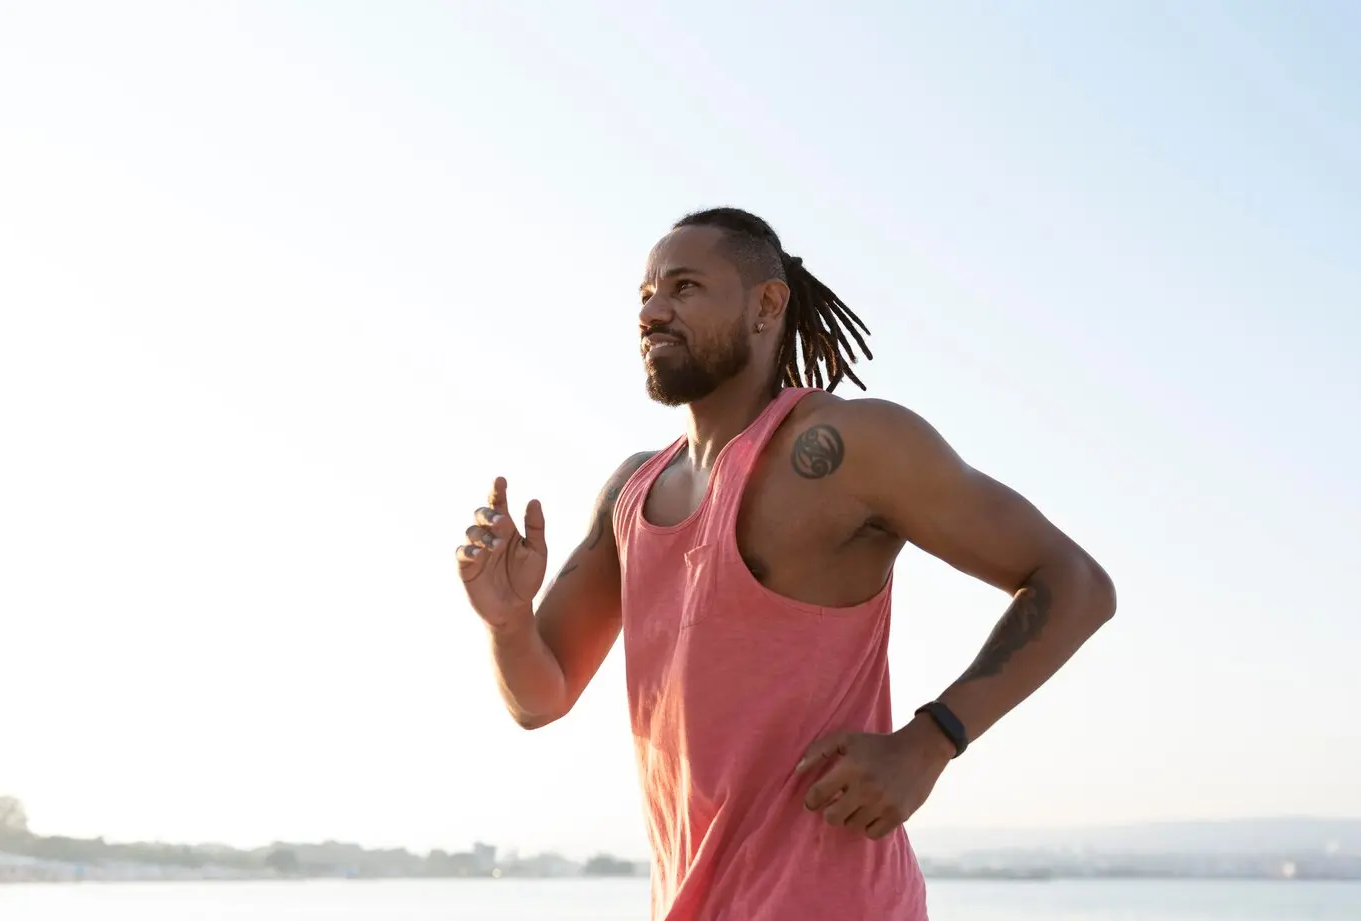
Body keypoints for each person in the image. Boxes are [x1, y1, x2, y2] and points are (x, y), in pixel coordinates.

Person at [455, 207, 1116, 920]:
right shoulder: (631, 490)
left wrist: (931, 740)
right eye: (645, 294)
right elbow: (540, 695)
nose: (653, 310)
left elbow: (1076, 583)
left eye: (683, 287)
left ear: (766, 305)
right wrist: (506, 618)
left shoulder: (848, 446)